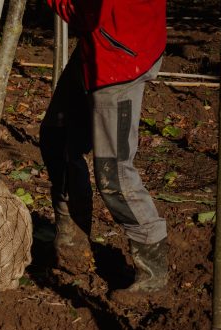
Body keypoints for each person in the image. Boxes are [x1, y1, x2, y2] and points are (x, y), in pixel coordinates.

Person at [40, 0, 168, 302]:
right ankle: (73, 243)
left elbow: (81, 13)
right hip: (100, 43)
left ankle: (153, 273)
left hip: (119, 55)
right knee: (57, 136)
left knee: (114, 176)